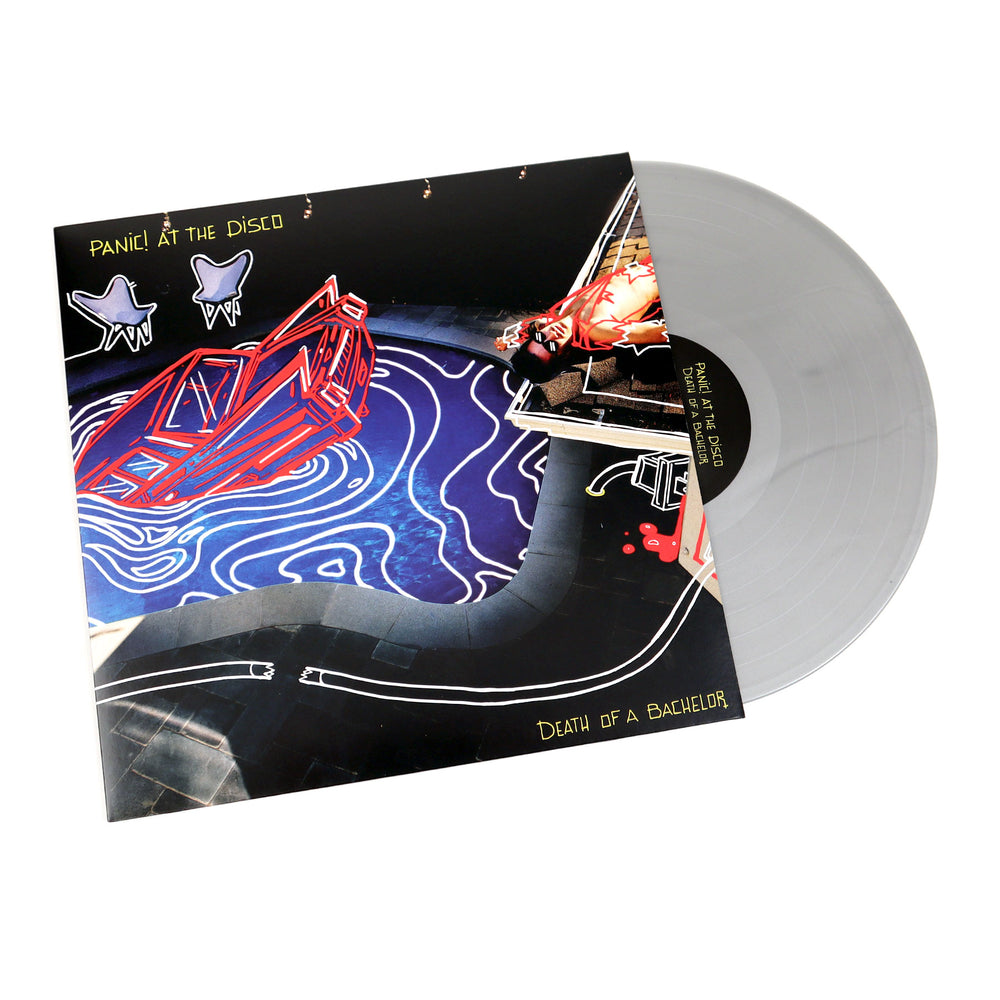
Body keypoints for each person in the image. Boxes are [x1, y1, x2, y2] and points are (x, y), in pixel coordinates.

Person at [496, 256, 668, 383]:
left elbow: (535, 326)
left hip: (647, 263)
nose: (552, 334)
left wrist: (510, 340)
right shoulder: (597, 329)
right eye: (552, 346)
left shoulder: (555, 322)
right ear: (565, 354)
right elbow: (661, 334)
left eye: (540, 337)